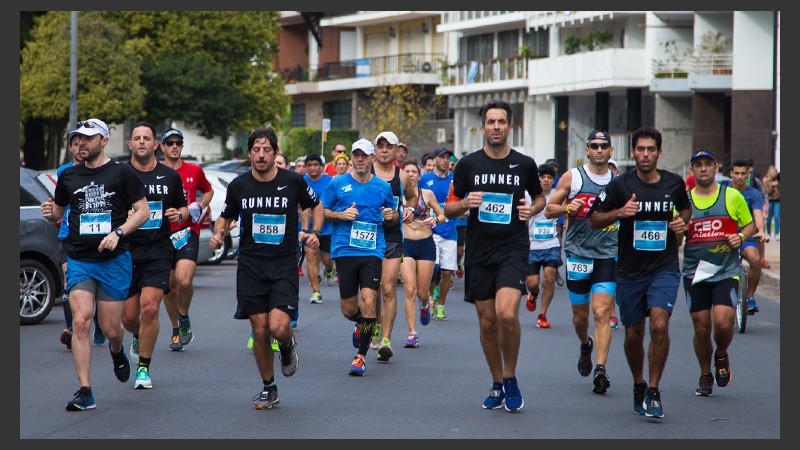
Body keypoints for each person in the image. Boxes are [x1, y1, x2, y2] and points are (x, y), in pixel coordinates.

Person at [40, 118, 150, 411]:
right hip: (80, 259)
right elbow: (59, 212)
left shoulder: (122, 173)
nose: (81, 143)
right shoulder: (69, 176)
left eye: (88, 138)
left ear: (103, 141)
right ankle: (85, 390)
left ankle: (117, 351)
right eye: (78, 138)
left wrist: (118, 233)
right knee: (80, 320)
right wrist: (51, 213)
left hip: (114, 260)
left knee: (112, 329)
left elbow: (143, 212)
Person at [210, 127, 322, 409]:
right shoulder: (239, 186)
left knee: (278, 325)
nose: (261, 155)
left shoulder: (293, 181)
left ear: (275, 153)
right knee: (259, 330)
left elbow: (317, 205)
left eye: (267, 150)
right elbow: (226, 216)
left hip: (283, 264)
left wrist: (314, 232)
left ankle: (287, 346)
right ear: (249, 154)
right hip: (250, 266)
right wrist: (218, 234)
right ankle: (269, 387)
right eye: (256, 150)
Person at [444, 99, 545, 412]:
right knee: (487, 323)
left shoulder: (525, 164)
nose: (497, 127)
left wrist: (534, 208)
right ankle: (497, 381)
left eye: (502, 122)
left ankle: (511, 376)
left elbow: (540, 198)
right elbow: (449, 208)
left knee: (505, 313)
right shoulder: (468, 165)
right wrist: (465, 204)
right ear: (483, 127)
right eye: (491, 122)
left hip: (513, 248)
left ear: (509, 126)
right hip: (478, 252)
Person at [589, 126, 691, 420]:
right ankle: (638, 384)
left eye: (651, 149)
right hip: (631, 271)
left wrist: (680, 223)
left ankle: (655, 390)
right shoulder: (620, 186)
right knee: (634, 333)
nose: (645, 155)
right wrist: (619, 213)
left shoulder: (673, 183)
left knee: (659, 325)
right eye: (640, 149)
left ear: (659, 152)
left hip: (664, 267)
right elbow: (594, 219)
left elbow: (685, 210)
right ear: (632, 152)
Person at [546, 130, 619, 395]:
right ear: (587, 150)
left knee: (601, 312)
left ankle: (601, 368)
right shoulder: (573, 177)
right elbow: (548, 209)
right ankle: (585, 344)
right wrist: (567, 208)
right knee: (580, 317)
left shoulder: (619, 183)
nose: (599, 150)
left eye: (604, 146)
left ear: (611, 151)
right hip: (577, 253)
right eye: (594, 146)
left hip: (607, 254)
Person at [321, 138, 399, 376]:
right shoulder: (338, 184)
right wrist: (340, 214)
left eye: (365, 155)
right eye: (356, 155)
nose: (360, 159)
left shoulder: (383, 187)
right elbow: (321, 211)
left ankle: (360, 357)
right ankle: (362, 325)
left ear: (372, 158)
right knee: (348, 309)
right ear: (352, 158)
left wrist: (391, 215)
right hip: (345, 249)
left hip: (372, 251)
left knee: (368, 301)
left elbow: (394, 217)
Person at [682, 150, 755, 397]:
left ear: (716, 168)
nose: (703, 169)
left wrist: (741, 236)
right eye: (698, 165)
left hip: (726, 270)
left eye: (707, 164)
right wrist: (675, 230)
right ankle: (705, 373)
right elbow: (676, 233)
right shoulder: (684, 201)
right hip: (695, 273)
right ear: (692, 170)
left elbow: (750, 224)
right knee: (701, 328)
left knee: (723, 324)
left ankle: (721, 354)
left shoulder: (732, 196)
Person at [121, 122, 189, 389]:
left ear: (154, 145)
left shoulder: (169, 177)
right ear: (130, 145)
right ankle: (137, 335)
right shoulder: (120, 175)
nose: (141, 142)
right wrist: (123, 218)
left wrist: (177, 214)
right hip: (126, 250)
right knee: (128, 318)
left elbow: (183, 209)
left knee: (150, 307)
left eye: (146, 138)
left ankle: (143, 369)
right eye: (136, 138)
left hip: (158, 250)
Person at [161, 128, 214, 352]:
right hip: (161, 235)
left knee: (184, 280)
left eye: (178, 143)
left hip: (187, 232)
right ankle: (175, 328)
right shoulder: (155, 171)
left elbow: (208, 191)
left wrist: (199, 206)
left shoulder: (194, 170)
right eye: (170, 143)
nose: (174, 146)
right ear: (162, 147)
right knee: (169, 287)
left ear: (182, 146)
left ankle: (184, 317)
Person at [370, 131, 417, 361]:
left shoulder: (403, 177)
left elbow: (412, 198)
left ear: (397, 150)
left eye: (389, 146)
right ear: (375, 150)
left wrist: (408, 210)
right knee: (372, 290)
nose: (385, 150)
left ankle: (386, 340)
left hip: (392, 237)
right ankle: (375, 324)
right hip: (367, 237)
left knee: (388, 289)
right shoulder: (364, 173)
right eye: (381, 146)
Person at [58, 128, 105, 350]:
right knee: (71, 284)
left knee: (94, 288)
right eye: (75, 144)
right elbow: (59, 205)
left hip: (96, 237)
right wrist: (52, 212)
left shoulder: (98, 172)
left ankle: (98, 320)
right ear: (71, 148)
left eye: (83, 142)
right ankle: (72, 328)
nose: (80, 147)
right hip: (68, 236)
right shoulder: (64, 172)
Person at [398, 160, 446, 348]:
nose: (410, 174)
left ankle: (425, 304)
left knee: (422, 292)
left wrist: (435, 220)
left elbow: (442, 215)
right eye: (407, 171)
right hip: (406, 244)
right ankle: (412, 332)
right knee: (409, 289)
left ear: (419, 175)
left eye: (414, 171)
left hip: (426, 244)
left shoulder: (427, 194)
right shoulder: (397, 196)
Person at [420, 146, 458, 321]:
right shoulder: (425, 179)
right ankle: (431, 296)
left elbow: (461, 202)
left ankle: (441, 304)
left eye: (447, 158)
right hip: (431, 230)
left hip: (450, 231)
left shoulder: (455, 179)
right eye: (441, 157)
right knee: (432, 269)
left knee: (447, 272)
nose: (445, 160)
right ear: (434, 159)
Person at [524, 163, 563, 330]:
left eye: (549, 178)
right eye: (543, 177)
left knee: (549, 276)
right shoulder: (528, 195)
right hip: (532, 244)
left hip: (551, 243)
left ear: (554, 180)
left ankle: (542, 314)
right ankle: (533, 294)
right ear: (538, 179)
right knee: (532, 283)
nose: (546, 180)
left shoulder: (557, 195)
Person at [728, 159, 768, 314]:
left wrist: (761, 231)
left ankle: (749, 296)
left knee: (755, 259)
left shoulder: (754, 194)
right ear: (731, 173)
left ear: (747, 175)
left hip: (745, 237)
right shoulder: (723, 190)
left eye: (742, 173)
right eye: (736, 173)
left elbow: (758, 216)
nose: (739, 176)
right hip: (725, 238)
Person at [301, 153, 337, 304]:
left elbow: (334, 202)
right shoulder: (301, 182)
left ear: (321, 167)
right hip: (308, 228)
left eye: (316, 165)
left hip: (327, 227)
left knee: (327, 259)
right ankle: (316, 291)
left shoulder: (330, 182)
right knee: (310, 254)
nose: (312, 168)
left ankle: (329, 269)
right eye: (309, 165)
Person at [545, 158, 567, 288]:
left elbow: (566, 200)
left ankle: (555, 271)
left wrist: (566, 219)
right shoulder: (541, 180)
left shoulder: (561, 181)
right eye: (550, 167)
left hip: (557, 220)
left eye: (554, 167)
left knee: (556, 246)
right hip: (540, 220)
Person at [763, 165, 780, 241]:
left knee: (776, 217)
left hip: (778, 201)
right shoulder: (766, 180)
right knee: (769, 219)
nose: (774, 173)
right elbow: (767, 191)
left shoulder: (778, 180)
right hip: (769, 201)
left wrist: (778, 184)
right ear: (769, 172)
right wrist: (772, 185)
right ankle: (768, 234)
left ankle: (776, 234)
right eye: (772, 172)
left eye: (775, 172)